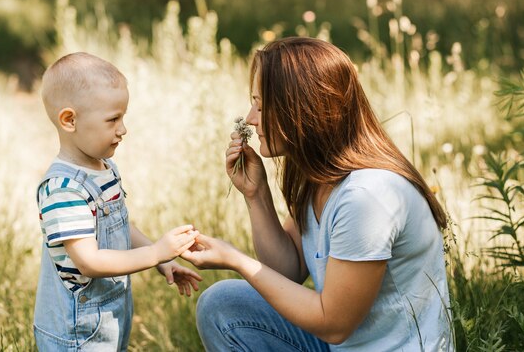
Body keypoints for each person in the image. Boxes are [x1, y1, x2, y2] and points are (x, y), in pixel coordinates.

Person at [181, 37, 453, 351]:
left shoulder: (365, 198)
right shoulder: (318, 177)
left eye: (261, 104)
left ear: (302, 108)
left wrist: (237, 260)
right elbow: (287, 270)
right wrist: (256, 195)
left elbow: (334, 325)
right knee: (223, 305)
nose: (251, 118)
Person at [34, 52, 201, 351]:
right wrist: (155, 252)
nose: (123, 129)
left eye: (123, 117)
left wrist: (162, 260)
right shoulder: (64, 189)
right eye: (113, 119)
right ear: (69, 120)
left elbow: (121, 223)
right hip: (76, 332)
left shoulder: (105, 168)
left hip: (109, 317)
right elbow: (89, 262)